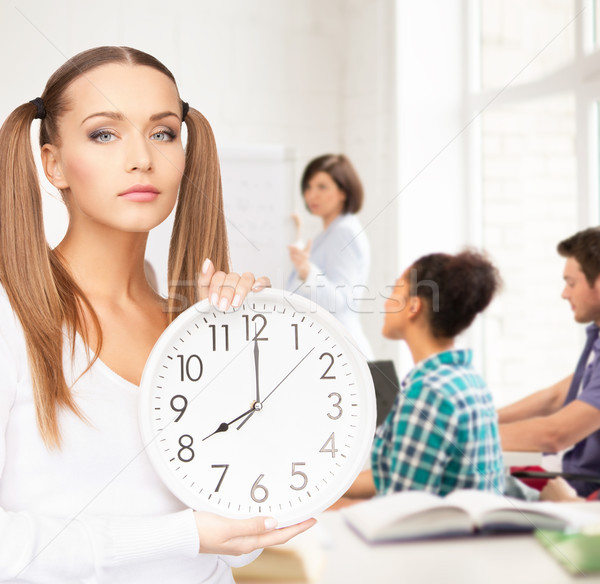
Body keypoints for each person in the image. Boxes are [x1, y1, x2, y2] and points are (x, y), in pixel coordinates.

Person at [0, 46, 314, 584]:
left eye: (163, 133)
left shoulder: (192, 327)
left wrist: (242, 356)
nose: (141, 158)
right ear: (52, 163)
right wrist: (182, 536)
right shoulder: (12, 317)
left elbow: (242, 544)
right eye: (105, 133)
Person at [342, 250, 505, 502]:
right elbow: (389, 476)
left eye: (396, 290)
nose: (386, 302)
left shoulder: (428, 393)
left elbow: (402, 506)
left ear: (414, 306)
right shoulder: (465, 378)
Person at [498, 227, 600, 498]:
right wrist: (486, 418)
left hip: (579, 493)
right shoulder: (597, 337)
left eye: (571, 282)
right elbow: (557, 396)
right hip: (567, 477)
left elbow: (555, 434)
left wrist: (467, 435)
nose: (564, 294)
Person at [286, 154, 373, 359]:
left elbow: (340, 301)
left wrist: (307, 270)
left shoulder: (343, 232)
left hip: (344, 350)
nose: (311, 195)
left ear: (343, 191)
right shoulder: (330, 233)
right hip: (333, 349)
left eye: (322, 187)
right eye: (308, 187)